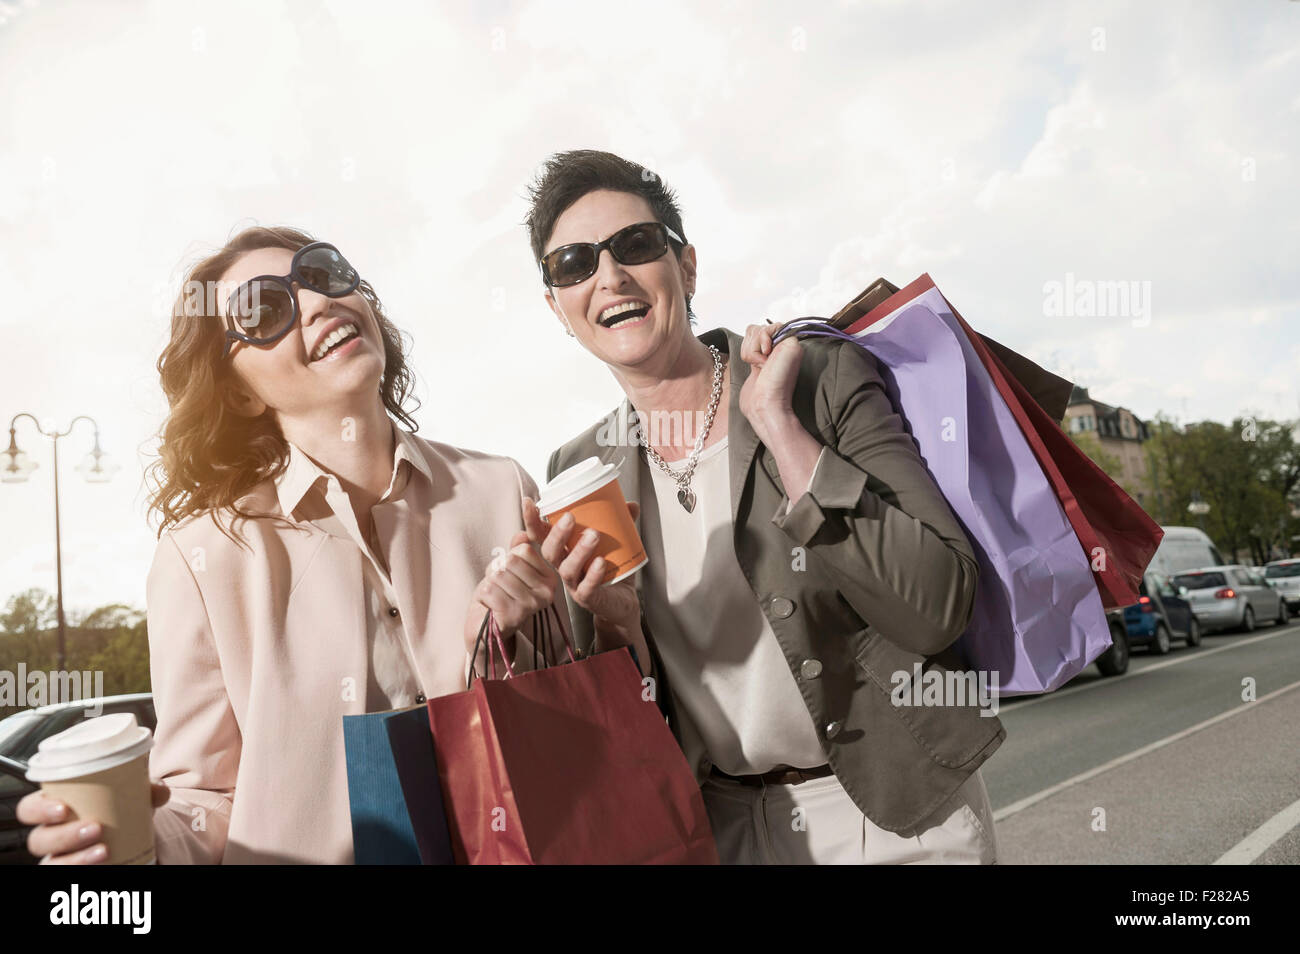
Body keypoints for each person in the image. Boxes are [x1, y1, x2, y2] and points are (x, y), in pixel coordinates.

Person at [17, 225, 586, 864]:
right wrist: (132, 839)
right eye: (265, 311)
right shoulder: (202, 557)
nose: (317, 303)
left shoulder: (500, 489)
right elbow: (205, 795)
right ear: (238, 391)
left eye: (323, 274)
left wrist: (513, 645)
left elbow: (573, 722)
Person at [524, 150, 1005, 864]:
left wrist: (781, 430)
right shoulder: (577, 472)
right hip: (725, 832)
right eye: (575, 264)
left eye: (635, 245)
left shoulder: (813, 379)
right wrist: (616, 620)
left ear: (686, 267)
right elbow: (632, 726)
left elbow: (936, 605)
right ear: (557, 306)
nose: (610, 277)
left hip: (901, 821)